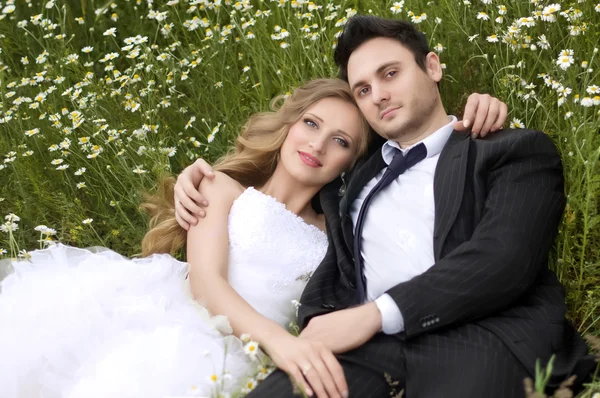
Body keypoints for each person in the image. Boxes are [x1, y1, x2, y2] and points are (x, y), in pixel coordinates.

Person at [174, 16, 596, 398]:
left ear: (432, 67)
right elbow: (290, 182)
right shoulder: (354, 180)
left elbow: (505, 259)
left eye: (390, 74)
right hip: (359, 350)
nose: (378, 95)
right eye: (363, 89)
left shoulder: (508, 150)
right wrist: (199, 177)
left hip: (475, 334)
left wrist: (376, 315)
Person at [0, 79, 369, 398]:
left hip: (252, 356)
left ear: (352, 162)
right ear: (290, 124)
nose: (317, 145)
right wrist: (282, 343)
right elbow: (206, 285)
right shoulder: (218, 186)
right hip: (182, 326)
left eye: (340, 141)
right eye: (310, 123)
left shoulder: (335, 239)